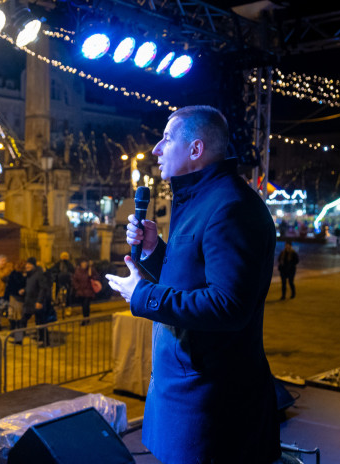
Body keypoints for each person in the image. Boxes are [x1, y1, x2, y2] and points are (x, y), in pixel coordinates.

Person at [105, 106, 280, 463]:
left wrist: (141, 294)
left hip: (212, 407)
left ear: (196, 150)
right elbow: (192, 277)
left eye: (167, 139)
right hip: (184, 395)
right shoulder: (201, 200)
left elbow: (227, 305)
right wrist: (155, 253)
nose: (156, 149)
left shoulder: (231, 207)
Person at [22, 257, 51, 347]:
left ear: (34, 266)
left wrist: (39, 301)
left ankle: (44, 341)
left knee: (40, 322)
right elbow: (31, 286)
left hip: (37, 302)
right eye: (27, 264)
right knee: (22, 320)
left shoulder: (39, 274)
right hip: (29, 302)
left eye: (29, 264)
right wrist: (24, 290)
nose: (27, 266)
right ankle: (18, 339)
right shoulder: (29, 275)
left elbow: (43, 288)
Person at [4, 261, 26, 343]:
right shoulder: (19, 276)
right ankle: (18, 337)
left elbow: (10, 287)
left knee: (16, 318)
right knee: (18, 319)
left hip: (14, 298)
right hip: (18, 299)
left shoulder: (14, 275)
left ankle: (18, 338)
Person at [71, 258, 97, 325]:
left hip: (88, 291)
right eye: (83, 263)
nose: (84, 264)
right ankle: (86, 318)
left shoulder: (90, 270)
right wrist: (77, 287)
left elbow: (94, 277)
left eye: (85, 263)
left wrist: (90, 269)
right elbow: (74, 279)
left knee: (86, 305)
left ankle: (85, 319)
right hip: (81, 291)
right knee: (83, 306)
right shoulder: (78, 271)